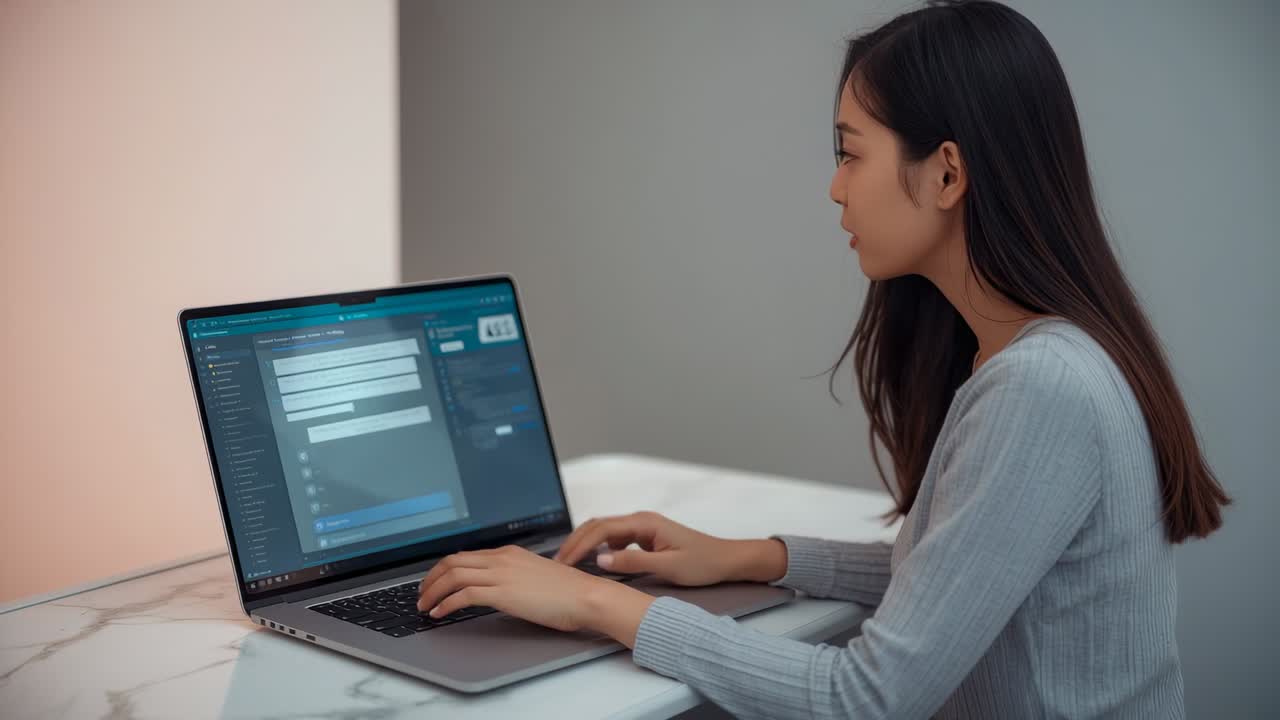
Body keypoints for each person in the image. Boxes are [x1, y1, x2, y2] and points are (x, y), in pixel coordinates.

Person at [415, 1, 1231, 716]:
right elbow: (956, 581)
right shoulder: (1040, 357)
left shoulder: (1040, 389)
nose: (835, 189)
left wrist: (598, 604)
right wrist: (751, 557)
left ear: (946, 173)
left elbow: (866, 699)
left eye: (851, 154)